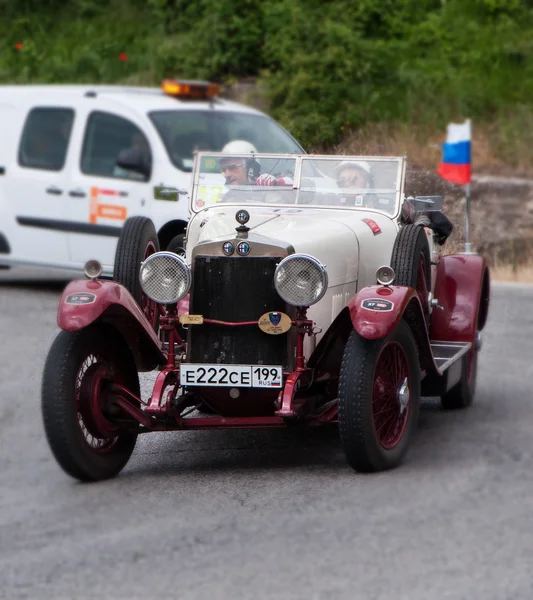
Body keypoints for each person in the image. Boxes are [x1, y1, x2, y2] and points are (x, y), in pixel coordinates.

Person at [220, 140, 293, 187]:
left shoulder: (270, 185)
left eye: (232, 167)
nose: (227, 175)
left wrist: (277, 183)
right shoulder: (226, 198)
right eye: (223, 170)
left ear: (250, 167)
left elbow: (300, 182)